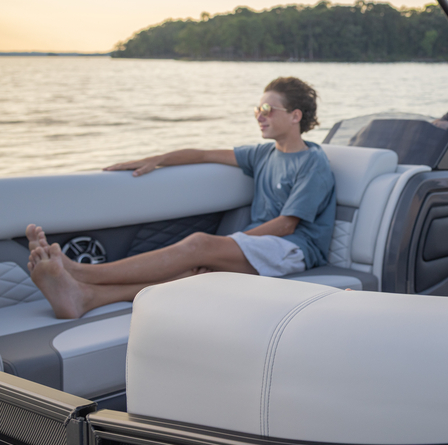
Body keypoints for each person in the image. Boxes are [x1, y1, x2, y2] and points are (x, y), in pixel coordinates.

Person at [26, 77, 337, 320]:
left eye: (268, 110)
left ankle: (81, 271)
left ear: (295, 115)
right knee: (196, 276)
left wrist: (225, 245)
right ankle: (85, 297)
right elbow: (202, 154)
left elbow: (286, 225)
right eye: (257, 109)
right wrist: (157, 159)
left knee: (200, 245)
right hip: (263, 247)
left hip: (296, 250)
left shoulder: (313, 163)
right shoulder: (263, 153)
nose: (260, 116)